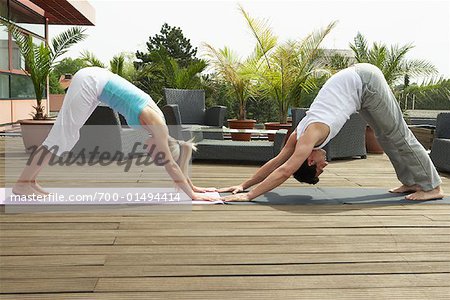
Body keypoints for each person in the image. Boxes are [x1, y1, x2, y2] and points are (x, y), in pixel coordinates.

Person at [219, 63, 444, 202]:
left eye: (318, 168)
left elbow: (285, 169)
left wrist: (249, 195)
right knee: (385, 136)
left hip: (366, 82)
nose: (324, 166)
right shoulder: (299, 135)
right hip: (358, 88)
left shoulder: (308, 137)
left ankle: (432, 186)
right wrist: (244, 184)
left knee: (398, 134)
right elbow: (277, 161)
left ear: (308, 159)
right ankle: (412, 181)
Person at [12, 67, 216, 201]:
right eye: (157, 155)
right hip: (91, 83)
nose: (154, 157)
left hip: (95, 83)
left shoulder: (159, 131)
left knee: (67, 136)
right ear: (162, 145)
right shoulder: (157, 126)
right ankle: (22, 184)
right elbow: (171, 164)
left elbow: (174, 161)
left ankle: (30, 182)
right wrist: (193, 196)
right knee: (62, 135)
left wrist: (193, 187)